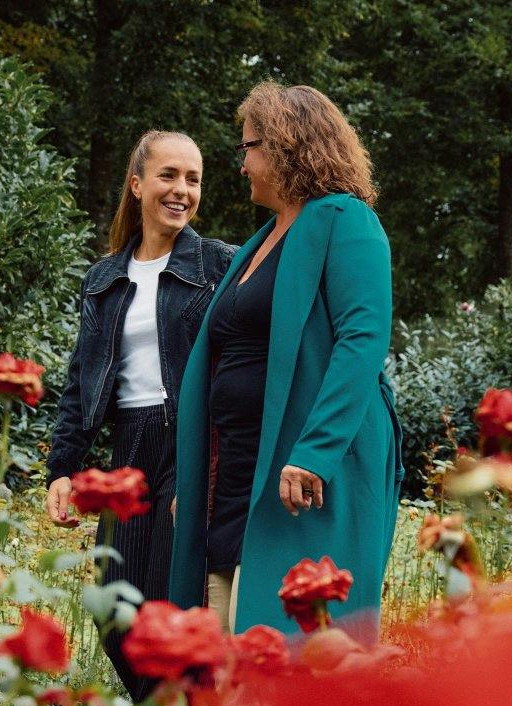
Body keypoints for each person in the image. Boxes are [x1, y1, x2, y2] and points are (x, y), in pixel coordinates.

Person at [170, 83, 403, 641]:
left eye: (247, 148)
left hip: (304, 473)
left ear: (283, 146)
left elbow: (363, 337)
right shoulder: (260, 242)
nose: (243, 164)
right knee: (226, 644)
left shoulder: (345, 220)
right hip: (243, 469)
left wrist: (315, 452)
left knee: (294, 651)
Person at [47, 130, 235, 700]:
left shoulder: (220, 265)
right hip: (129, 447)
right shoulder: (103, 279)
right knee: (116, 608)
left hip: (194, 442)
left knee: (179, 603)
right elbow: (81, 382)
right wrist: (63, 467)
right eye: (169, 176)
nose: (182, 190)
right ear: (137, 184)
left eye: (193, 179)